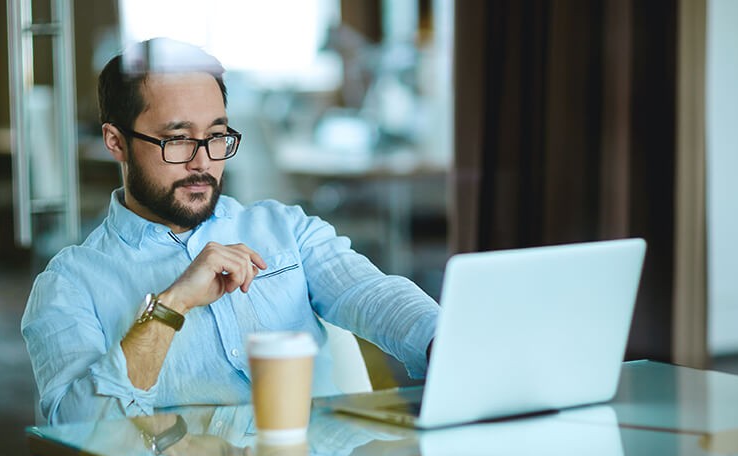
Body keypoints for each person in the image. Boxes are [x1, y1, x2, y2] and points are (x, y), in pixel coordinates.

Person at [22, 38, 439, 425]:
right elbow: (79, 427)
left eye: (217, 136)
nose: (203, 163)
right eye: (178, 139)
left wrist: (444, 343)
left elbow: (371, 294)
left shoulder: (284, 228)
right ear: (116, 141)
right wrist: (172, 305)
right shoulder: (71, 284)